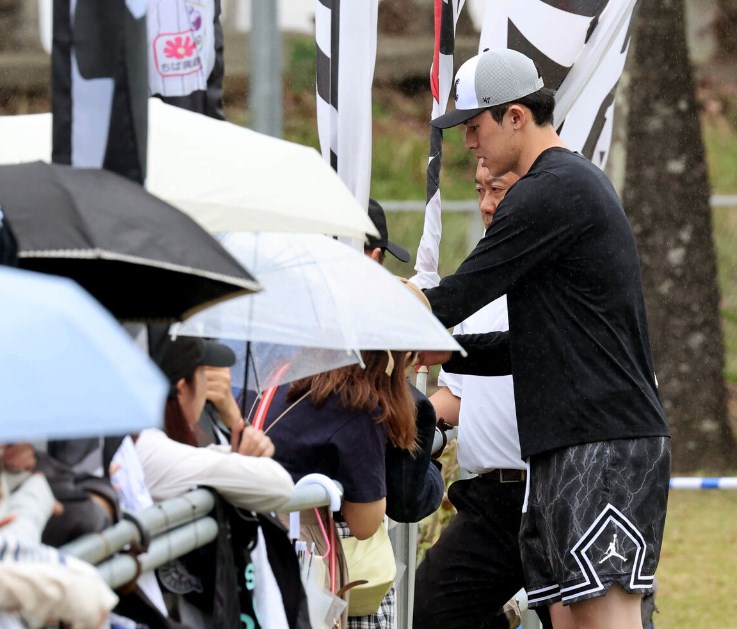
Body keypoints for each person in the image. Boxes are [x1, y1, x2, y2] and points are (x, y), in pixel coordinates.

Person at [419, 48, 671, 629]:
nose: (468, 144)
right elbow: (527, 346)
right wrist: (449, 350)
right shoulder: (561, 187)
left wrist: (389, 322)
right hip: (570, 445)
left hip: (601, 444)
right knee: (572, 620)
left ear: (515, 117)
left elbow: (457, 296)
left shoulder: (547, 190)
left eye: (474, 127)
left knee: (605, 621)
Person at [413, 160, 552, 629]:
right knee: (432, 611)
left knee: (584, 617)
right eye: (479, 190)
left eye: (500, 189)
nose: (488, 204)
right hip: (494, 498)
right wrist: (400, 422)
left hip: (565, 488)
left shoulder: (569, 280)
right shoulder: (481, 289)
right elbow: (456, 397)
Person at [261, 348, 419, 628]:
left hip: (252, 536)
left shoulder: (275, 375)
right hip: (304, 540)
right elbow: (365, 523)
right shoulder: (357, 403)